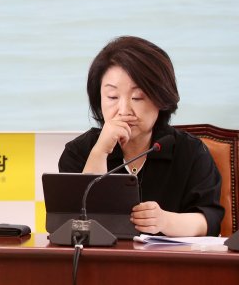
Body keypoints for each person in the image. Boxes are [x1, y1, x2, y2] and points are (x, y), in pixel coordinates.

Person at [58, 36, 223, 237]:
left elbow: (209, 221)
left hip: (167, 257)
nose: (124, 110)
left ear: (160, 98)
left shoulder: (191, 152)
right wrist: (100, 152)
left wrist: (166, 221)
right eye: (112, 97)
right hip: (101, 258)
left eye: (137, 97)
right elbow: (74, 224)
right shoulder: (78, 152)